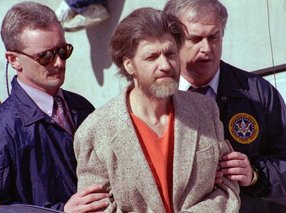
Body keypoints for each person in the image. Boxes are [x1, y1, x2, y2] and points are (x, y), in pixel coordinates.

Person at [74, 7, 240, 213]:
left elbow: (227, 188)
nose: (165, 65)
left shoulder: (205, 110)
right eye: (152, 57)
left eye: (170, 53)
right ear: (129, 65)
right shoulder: (95, 131)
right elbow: (95, 208)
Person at [163, 0, 286, 212]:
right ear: (173, 40)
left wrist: (255, 173)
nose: (206, 48)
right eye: (195, 39)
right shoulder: (158, 99)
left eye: (213, 37)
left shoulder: (257, 93)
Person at [0, 2, 109, 212]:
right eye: (45, 56)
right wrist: (61, 211)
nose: (59, 63)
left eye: (63, 51)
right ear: (13, 60)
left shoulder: (82, 107)